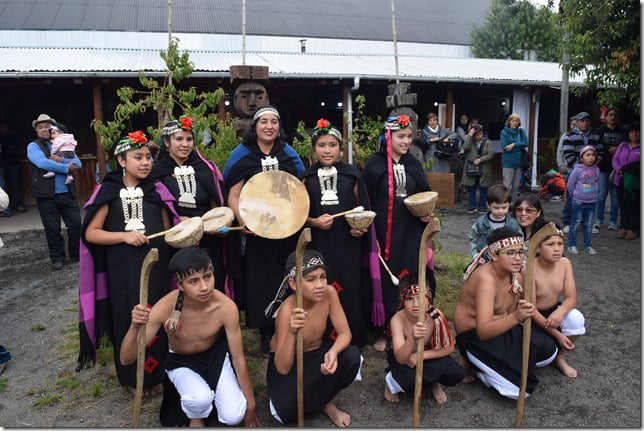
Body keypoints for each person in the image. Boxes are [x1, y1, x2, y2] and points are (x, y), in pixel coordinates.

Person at [77, 131, 181, 395]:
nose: (145, 162)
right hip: (123, 271)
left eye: (148, 157)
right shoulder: (107, 190)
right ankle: (134, 378)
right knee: (129, 316)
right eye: (138, 157)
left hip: (156, 267)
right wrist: (124, 236)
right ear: (121, 161)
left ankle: (157, 376)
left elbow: (168, 230)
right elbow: (91, 232)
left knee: (156, 314)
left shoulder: (157, 189)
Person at [120, 247, 260, 427]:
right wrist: (134, 326)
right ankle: (196, 415)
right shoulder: (166, 307)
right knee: (199, 399)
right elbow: (126, 358)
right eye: (194, 281)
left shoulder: (225, 307)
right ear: (180, 285)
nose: (204, 287)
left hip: (215, 358)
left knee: (234, 416)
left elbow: (238, 357)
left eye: (207, 277)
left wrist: (251, 404)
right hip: (180, 361)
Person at [223, 105, 305, 353]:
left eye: (274, 122)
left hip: (286, 228)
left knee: (285, 273)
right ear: (255, 127)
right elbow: (234, 193)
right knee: (261, 279)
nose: (269, 126)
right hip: (257, 231)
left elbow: (300, 190)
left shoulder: (289, 154)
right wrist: (244, 220)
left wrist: (296, 217)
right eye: (263, 122)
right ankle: (264, 329)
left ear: (279, 127)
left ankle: (287, 321)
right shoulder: (242, 155)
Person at [299, 118, 381, 347]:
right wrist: (313, 222)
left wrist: (360, 229)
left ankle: (351, 336)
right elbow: (297, 214)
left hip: (348, 245)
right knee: (320, 286)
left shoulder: (352, 175)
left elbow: (363, 209)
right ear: (314, 148)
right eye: (322, 145)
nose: (327, 150)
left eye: (332, 145)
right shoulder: (305, 178)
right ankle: (320, 336)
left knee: (349, 286)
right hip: (318, 244)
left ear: (341, 149)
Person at [454, 227, 558, 399]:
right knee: (519, 391)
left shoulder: (516, 276)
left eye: (520, 252)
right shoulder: (486, 280)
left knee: (549, 351)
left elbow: (514, 311)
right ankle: (476, 366)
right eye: (510, 253)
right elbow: (484, 331)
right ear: (494, 255)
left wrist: (517, 316)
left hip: (502, 326)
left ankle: (495, 363)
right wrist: (516, 317)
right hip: (474, 336)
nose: (518, 258)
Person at [362, 115, 435, 352]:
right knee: (386, 278)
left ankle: (411, 326)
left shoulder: (413, 164)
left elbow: (423, 194)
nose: (406, 141)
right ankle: (385, 329)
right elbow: (366, 201)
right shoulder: (374, 166)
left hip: (410, 232)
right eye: (400, 136)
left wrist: (426, 216)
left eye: (409, 136)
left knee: (410, 276)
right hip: (384, 233)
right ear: (388, 137)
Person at [266, 249, 362, 427]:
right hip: (290, 363)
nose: (319, 285)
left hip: (317, 354)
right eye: (311, 279)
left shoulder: (329, 293)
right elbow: (282, 367)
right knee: (285, 408)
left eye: (322, 277)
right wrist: (291, 332)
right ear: (293, 284)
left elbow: (345, 333)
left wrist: (332, 353)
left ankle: (324, 403)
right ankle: (321, 402)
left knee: (351, 357)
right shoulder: (288, 310)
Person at [151, 115, 229, 294]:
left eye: (189, 139)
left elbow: (216, 200)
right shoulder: (157, 173)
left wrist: (218, 222)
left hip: (208, 236)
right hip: (176, 238)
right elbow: (159, 208)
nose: (185, 144)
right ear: (166, 142)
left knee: (210, 283)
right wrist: (178, 222)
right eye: (179, 139)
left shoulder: (205, 168)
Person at [383, 274, 465, 405]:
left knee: (456, 373)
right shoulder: (397, 320)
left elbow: (449, 348)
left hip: (427, 357)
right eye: (410, 299)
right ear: (402, 300)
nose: (416, 304)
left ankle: (432, 383)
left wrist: (420, 356)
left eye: (420, 298)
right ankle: (391, 382)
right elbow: (400, 358)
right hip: (405, 360)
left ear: (429, 298)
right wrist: (411, 338)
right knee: (408, 382)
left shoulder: (435, 317)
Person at [26, 113, 82, 270]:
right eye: (40, 127)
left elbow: (77, 163)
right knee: (52, 228)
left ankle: (75, 253)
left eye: (47, 126)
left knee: (76, 223)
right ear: (36, 130)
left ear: (52, 128)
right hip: (46, 195)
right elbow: (42, 162)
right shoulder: (33, 146)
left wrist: (62, 160)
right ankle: (57, 258)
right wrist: (65, 167)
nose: (44, 129)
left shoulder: (63, 142)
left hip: (67, 193)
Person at [532, 228, 585, 378]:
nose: (556, 249)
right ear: (538, 248)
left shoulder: (565, 263)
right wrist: (557, 334)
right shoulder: (529, 269)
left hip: (554, 310)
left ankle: (559, 358)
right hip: (531, 316)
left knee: (576, 318)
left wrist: (560, 312)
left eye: (560, 243)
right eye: (550, 244)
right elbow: (531, 309)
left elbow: (571, 298)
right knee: (541, 358)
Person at [561, 111, 603, 233]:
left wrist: (592, 165)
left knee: (589, 197)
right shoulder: (569, 136)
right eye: (582, 121)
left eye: (587, 121)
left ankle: (587, 223)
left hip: (591, 173)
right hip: (574, 171)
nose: (585, 123)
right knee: (572, 197)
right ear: (577, 122)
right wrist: (582, 168)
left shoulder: (595, 136)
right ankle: (568, 222)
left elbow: (600, 152)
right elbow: (568, 156)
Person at [469, 184, 522, 260]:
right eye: (496, 208)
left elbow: (521, 241)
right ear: (488, 205)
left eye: (504, 207)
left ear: (509, 205)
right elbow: (473, 239)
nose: (500, 211)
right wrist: (475, 255)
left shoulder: (513, 224)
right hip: (484, 260)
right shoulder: (480, 223)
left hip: (508, 260)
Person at [594, 107, 626, 230]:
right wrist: (608, 149)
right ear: (606, 117)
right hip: (602, 167)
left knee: (614, 196)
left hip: (618, 168)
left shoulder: (623, 131)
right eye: (610, 115)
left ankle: (613, 221)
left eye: (615, 115)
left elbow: (627, 145)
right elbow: (596, 145)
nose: (613, 117)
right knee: (601, 194)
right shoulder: (599, 131)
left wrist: (618, 149)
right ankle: (598, 219)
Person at [566, 145, 600, 255]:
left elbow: (597, 182)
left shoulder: (596, 169)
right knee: (575, 222)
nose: (591, 158)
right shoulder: (577, 170)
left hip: (592, 201)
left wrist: (594, 195)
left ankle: (587, 245)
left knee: (588, 224)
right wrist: (575, 195)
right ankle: (571, 245)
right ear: (582, 157)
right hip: (578, 201)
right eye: (588, 155)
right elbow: (570, 185)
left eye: (593, 155)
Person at [612, 121, 640, 240]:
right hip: (621, 179)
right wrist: (619, 170)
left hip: (636, 182)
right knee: (623, 204)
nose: (634, 135)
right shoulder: (623, 145)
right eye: (632, 132)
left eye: (637, 132)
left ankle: (632, 229)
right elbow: (615, 159)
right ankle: (623, 227)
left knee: (635, 204)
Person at [460, 124, 494, 214]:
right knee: (471, 188)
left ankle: (482, 207)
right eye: (477, 135)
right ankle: (472, 206)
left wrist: (480, 159)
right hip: (471, 168)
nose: (479, 136)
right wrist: (470, 135)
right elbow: (465, 147)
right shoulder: (470, 141)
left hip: (483, 169)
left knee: (483, 189)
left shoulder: (487, 142)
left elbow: (491, 154)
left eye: (481, 134)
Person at [500, 113, 529, 200]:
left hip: (519, 162)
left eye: (516, 121)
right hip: (508, 163)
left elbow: (526, 143)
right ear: (509, 122)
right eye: (513, 121)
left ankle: (514, 204)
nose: (515, 123)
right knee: (507, 186)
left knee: (516, 186)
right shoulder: (504, 132)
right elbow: (505, 148)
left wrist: (514, 144)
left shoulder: (521, 131)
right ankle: (505, 203)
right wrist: (519, 147)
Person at [0, 121, 25, 214]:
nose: (3, 129)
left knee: (15, 185)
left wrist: (5, 151)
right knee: (2, 187)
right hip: (1, 165)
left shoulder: (13, 137)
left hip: (12, 164)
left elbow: (15, 150)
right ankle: (5, 207)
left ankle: (18, 204)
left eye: (5, 127)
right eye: (2, 127)